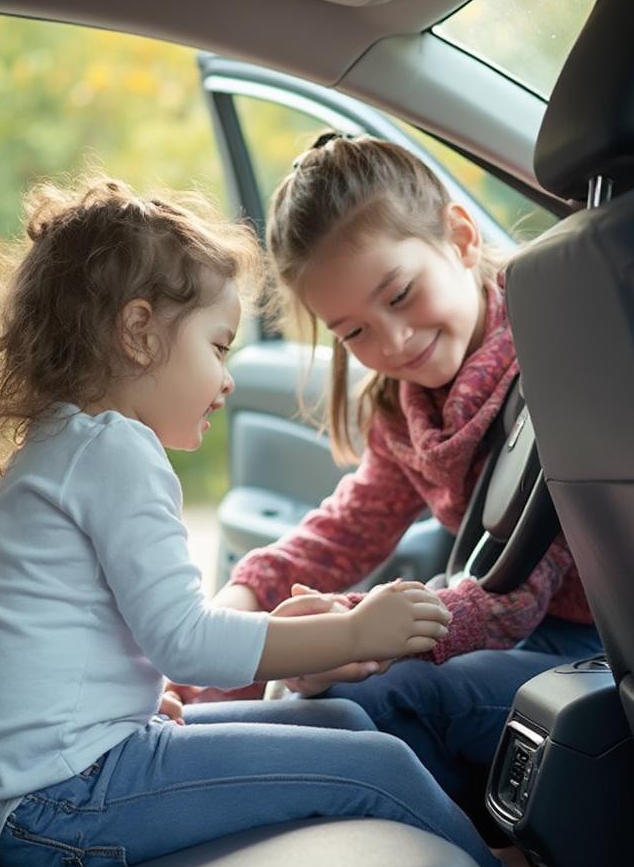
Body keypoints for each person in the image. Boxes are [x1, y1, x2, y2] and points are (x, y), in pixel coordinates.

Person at [0, 177, 558, 867]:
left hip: (54, 783)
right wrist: (357, 632)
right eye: (218, 347)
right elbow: (186, 643)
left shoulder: (74, 443)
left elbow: (82, 638)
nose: (228, 378)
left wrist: (137, 703)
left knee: (338, 716)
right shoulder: (118, 453)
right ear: (139, 334)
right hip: (61, 805)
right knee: (381, 770)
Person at [212, 134, 602, 810]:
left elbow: (510, 605)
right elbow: (349, 527)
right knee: (313, 687)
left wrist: (355, 636)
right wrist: (237, 608)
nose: (390, 343)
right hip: (522, 627)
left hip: (607, 646)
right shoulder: (404, 407)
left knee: (372, 693)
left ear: (459, 237)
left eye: (399, 294)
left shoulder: (558, 364)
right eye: (354, 332)